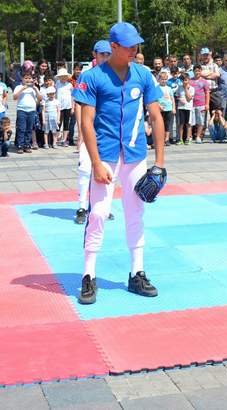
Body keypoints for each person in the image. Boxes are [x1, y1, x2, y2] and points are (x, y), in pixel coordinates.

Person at [74, 21, 166, 306]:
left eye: (137, 45)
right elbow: (86, 122)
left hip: (136, 156)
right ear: (113, 47)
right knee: (99, 213)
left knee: (135, 212)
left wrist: (160, 162)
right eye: (129, 46)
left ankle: (136, 272)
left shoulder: (143, 75)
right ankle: (89, 275)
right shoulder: (93, 77)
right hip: (106, 157)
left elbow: (156, 116)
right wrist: (96, 162)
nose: (135, 50)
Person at [13, 73, 41, 153]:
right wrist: (22, 89)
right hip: (21, 110)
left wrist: (36, 89)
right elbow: (15, 97)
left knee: (29, 129)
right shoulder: (18, 87)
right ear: (22, 79)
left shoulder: (33, 88)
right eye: (26, 78)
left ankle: (27, 145)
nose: (28, 80)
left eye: (29, 78)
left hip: (32, 111)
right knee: (21, 128)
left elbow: (40, 98)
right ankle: (20, 146)